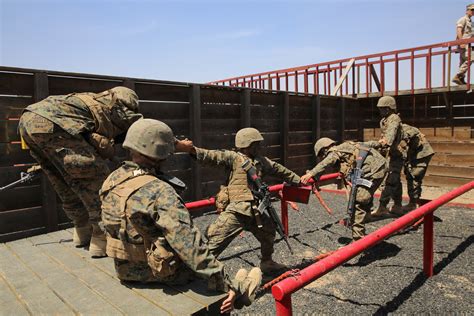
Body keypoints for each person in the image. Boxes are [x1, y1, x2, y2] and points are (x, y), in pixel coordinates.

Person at [100, 119, 261, 313]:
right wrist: (225, 282)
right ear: (162, 153)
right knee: (205, 254)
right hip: (157, 272)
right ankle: (242, 289)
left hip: (123, 269)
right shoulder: (160, 191)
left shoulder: (112, 179)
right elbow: (190, 248)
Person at [18, 87, 143, 257]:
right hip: (56, 123)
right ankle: (101, 239)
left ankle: (82, 231)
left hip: (27, 121)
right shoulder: (118, 107)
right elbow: (145, 131)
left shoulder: (88, 101)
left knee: (63, 181)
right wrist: (177, 144)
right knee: (98, 181)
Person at [179, 128, 301, 274]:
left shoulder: (262, 162)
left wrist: (299, 180)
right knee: (215, 243)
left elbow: (280, 170)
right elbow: (211, 156)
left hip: (256, 210)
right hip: (237, 210)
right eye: (257, 144)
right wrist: (191, 150)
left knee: (269, 232)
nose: (260, 147)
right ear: (248, 145)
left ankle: (267, 262)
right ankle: (194, 273)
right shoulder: (233, 158)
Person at [301, 138, 387, 241]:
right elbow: (369, 143)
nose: (323, 157)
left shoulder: (335, 151)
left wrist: (311, 173)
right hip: (381, 166)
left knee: (359, 201)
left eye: (322, 155)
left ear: (325, 149)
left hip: (372, 171)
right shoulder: (349, 145)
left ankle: (358, 238)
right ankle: (366, 217)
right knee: (366, 194)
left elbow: (326, 162)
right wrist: (380, 143)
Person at [370, 96, 405, 217]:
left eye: (383, 108)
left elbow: (390, 135)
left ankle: (382, 207)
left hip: (397, 155)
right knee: (396, 181)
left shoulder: (394, 119)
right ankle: (398, 205)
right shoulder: (384, 120)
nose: (380, 110)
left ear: (389, 108)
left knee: (390, 181)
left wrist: (384, 142)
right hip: (391, 154)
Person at [400, 124, 435, 211]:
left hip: (421, 155)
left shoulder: (404, 129)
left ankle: (414, 204)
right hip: (415, 155)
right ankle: (413, 202)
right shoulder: (399, 129)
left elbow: (406, 141)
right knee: (410, 176)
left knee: (414, 177)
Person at [452, 4, 474, 85]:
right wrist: (461, 42)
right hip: (463, 44)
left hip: (467, 44)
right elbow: (459, 30)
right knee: (471, 58)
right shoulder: (463, 19)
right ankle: (458, 76)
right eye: (472, 10)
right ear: (467, 10)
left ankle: (460, 79)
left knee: (463, 61)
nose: (473, 12)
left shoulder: (470, 22)